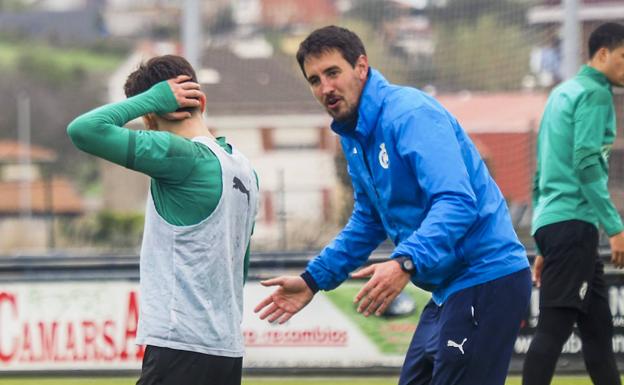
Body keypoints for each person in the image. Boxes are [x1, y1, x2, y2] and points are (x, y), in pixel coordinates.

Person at [254, 25, 531, 385]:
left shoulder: (409, 115)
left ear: (362, 67)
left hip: (487, 278)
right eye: (315, 80)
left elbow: (457, 201)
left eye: (333, 72)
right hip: (448, 288)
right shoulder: (355, 137)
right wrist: (312, 279)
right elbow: (369, 221)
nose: (325, 88)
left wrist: (405, 260)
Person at [67, 55, 258, 385]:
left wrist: (150, 99)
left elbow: (83, 131)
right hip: (227, 351)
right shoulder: (244, 169)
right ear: (202, 101)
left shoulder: (179, 155)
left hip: (179, 346)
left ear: (149, 116)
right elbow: (239, 266)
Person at [523, 22, 624, 385]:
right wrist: (614, 227)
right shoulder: (595, 94)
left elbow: (539, 174)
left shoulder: (561, 94)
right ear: (602, 55)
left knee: (598, 334)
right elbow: (586, 164)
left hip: (556, 226)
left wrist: (542, 240)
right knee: (553, 328)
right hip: (575, 225)